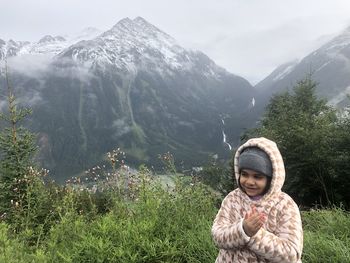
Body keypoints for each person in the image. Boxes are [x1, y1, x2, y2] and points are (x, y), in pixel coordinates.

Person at [212, 137, 303, 263]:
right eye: (244, 174)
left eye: (257, 176)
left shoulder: (285, 205)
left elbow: (291, 254)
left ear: (271, 178)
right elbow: (218, 236)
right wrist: (242, 230)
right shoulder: (232, 199)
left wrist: (254, 235)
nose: (249, 181)